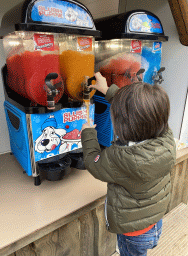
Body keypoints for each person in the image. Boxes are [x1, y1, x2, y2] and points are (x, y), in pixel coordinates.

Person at [81, 72, 176, 256]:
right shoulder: (166, 138)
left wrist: (88, 134)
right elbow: (141, 110)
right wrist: (108, 90)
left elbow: (93, 163)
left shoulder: (120, 158)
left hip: (133, 233)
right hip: (154, 222)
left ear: (123, 126)